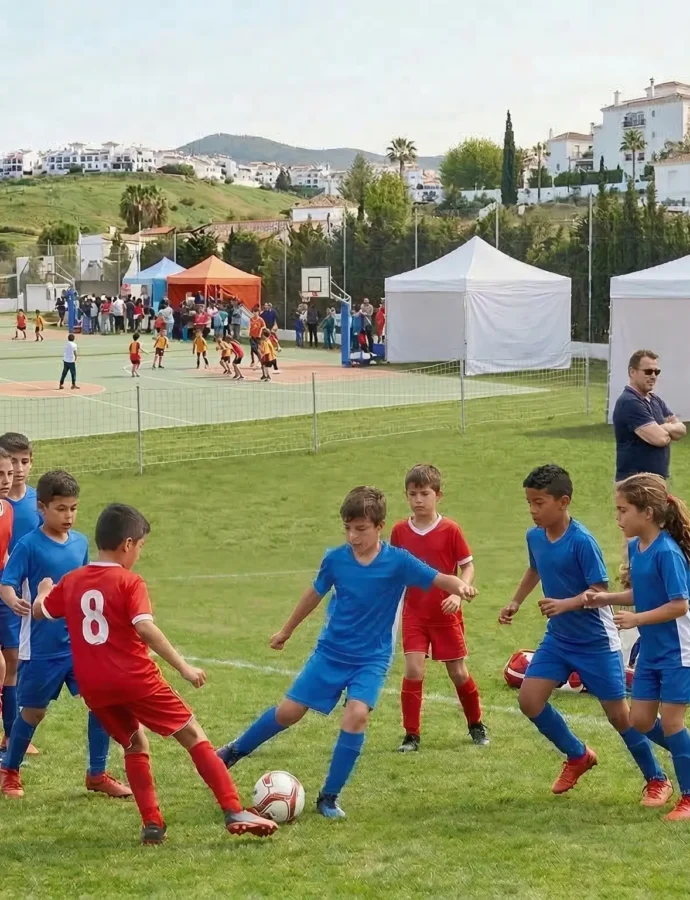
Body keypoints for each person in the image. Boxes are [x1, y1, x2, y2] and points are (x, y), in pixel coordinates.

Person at [216, 486, 476, 819]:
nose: (353, 536)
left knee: (357, 715)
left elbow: (441, 578)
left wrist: (462, 586)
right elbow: (314, 594)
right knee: (289, 712)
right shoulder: (336, 559)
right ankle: (234, 751)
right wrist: (286, 630)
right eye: (348, 529)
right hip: (331, 652)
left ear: (379, 526)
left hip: (371, 658)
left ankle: (329, 797)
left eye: (361, 529)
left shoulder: (398, 562)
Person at [33, 503, 277, 844]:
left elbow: (40, 611)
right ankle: (233, 808)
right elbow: (145, 628)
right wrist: (184, 667)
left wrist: (44, 591)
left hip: (94, 686)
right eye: (141, 547)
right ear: (128, 544)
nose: (140, 555)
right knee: (192, 735)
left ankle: (152, 823)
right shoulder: (129, 581)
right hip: (134, 678)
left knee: (134, 743)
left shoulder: (72, 581)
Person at [498, 464, 671, 804]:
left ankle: (657, 778)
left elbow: (598, 589)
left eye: (539, 502)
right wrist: (515, 601)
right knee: (529, 700)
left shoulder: (582, 542)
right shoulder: (535, 536)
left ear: (563, 502)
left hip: (596, 643)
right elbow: (535, 567)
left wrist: (565, 604)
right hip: (559, 639)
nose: (533, 510)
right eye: (529, 503)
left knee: (620, 716)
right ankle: (578, 755)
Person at [0, 470, 131, 801]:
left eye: (73, 508)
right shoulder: (29, 545)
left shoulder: (81, 543)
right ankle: (10, 770)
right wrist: (14, 599)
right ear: (42, 508)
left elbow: (87, 583)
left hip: (78, 645)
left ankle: (97, 774)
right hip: (40, 647)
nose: (69, 516)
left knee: (101, 704)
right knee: (33, 713)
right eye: (61, 509)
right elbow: (6, 582)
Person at [585, 475, 690, 821]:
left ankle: (688, 797)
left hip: (679, 653)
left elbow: (679, 605)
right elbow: (641, 592)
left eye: (623, 510)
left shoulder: (668, 553)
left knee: (673, 724)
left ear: (647, 513)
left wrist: (638, 619)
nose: (618, 518)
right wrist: (607, 598)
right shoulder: (636, 548)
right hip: (653, 653)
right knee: (640, 720)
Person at [391, 464, 488, 751]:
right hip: (415, 614)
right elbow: (395, 570)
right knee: (413, 670)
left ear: (438, 495)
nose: (418, 500)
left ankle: (476, 725)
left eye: (424, 493)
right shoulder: (399, 531)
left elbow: (467, 566)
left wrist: (458, 593)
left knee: (458, 672)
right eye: (413, 494)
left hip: (445, 615)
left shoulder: (450, 529)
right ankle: (411, 735)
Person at [0, 433, 41, 753]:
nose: (16, 469)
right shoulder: (5, 506)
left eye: (22, 462)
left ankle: (12, 735)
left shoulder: (33, 503)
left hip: (17, 596)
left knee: (13, 660)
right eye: (11, 462)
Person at [613, 349, 686, 484]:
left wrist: (660, 427)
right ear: (632, 372)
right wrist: (668, 428)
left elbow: (681, 430)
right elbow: (659, 439)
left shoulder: (655, 400)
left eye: (656, 372)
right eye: (648, 371)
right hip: (636, 483)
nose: (653, 376)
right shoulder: (630, 402)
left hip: (655, 480)